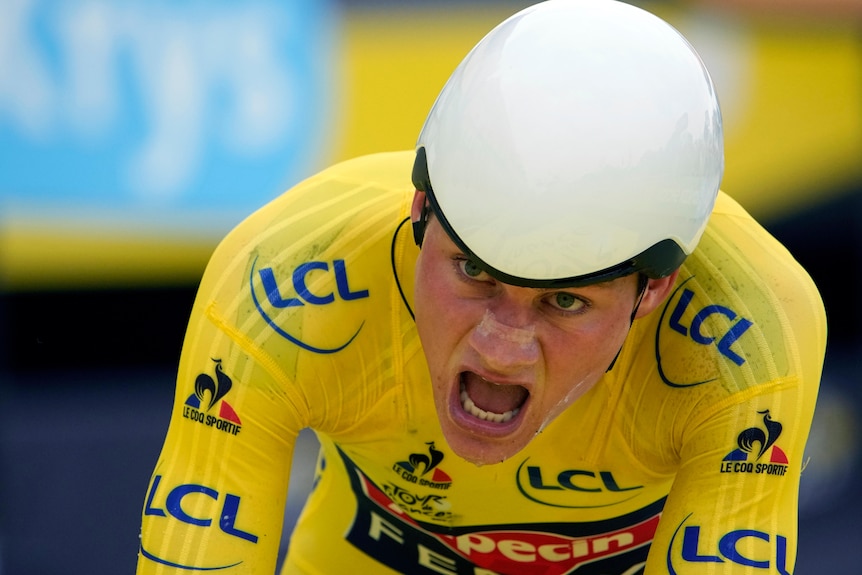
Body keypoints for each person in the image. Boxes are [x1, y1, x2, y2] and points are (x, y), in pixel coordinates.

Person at [136, 0, 826, 573]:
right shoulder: (284, 281)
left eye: (564, 300)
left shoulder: (747, 335)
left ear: (655, 289)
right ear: (419, 210)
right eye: (472, 272)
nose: (501, 346)